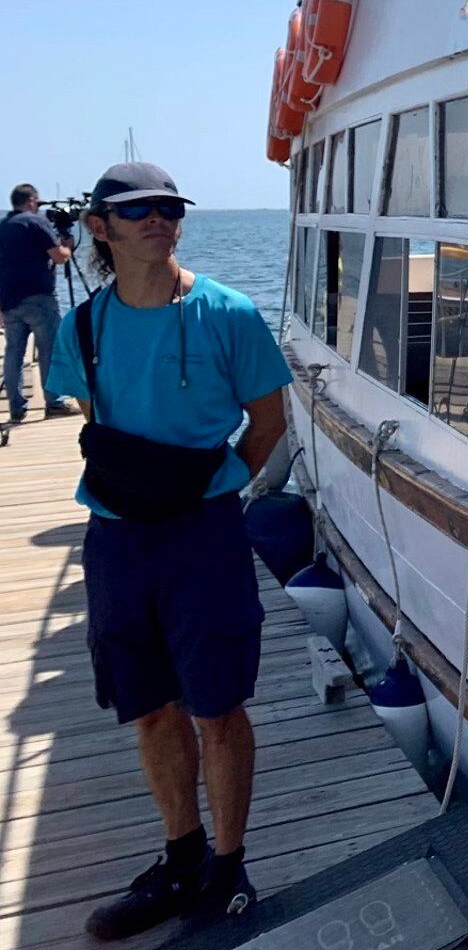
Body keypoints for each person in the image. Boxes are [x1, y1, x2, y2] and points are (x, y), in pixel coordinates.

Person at [43, 163, 291, 939]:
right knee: (149, 705)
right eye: (138, 209)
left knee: (217, 704)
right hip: (117, 537)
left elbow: (268, 422)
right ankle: (180, 860)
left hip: (203, 535)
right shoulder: (81, 328)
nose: (159, 218)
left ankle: (228, 869)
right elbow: (96, 413)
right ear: (99, 229)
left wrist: (209, 490)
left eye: (170, 208)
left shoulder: (230, 313)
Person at [1, 183, 79, 423]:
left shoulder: (3, 226)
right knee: (49, 351)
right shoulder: (35, 222)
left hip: (9, 300)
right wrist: (68, 242)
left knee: (13, 352)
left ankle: (16, 406)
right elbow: (59, 257)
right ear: (31, 201)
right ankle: (53, 402)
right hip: (38, 298)